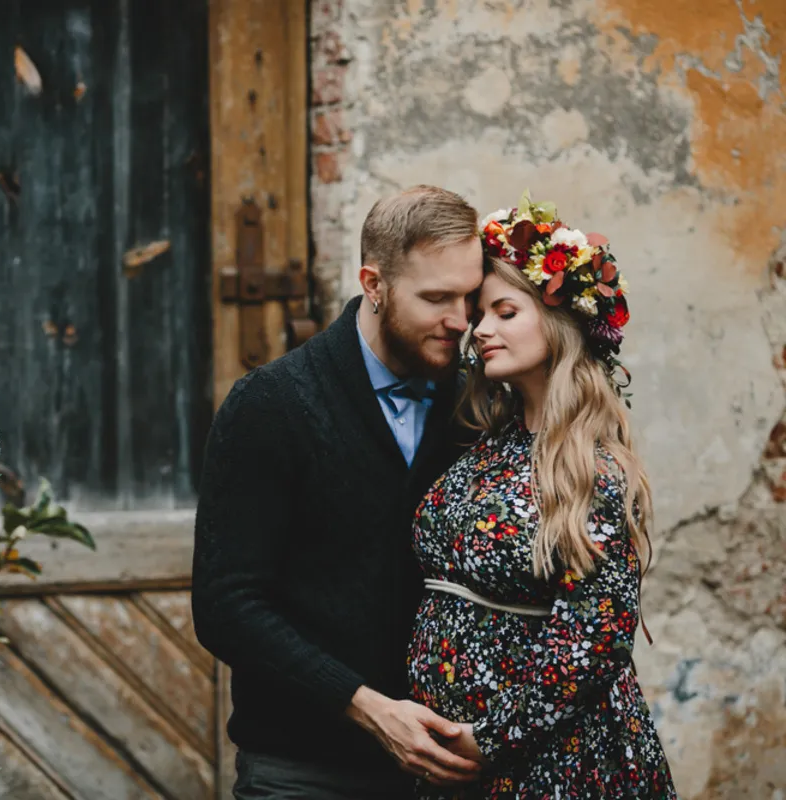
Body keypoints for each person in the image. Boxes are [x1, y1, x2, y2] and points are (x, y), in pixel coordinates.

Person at [192, 185, 488, 798]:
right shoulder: (271, 406)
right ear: (373, 284)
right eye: (436, 298)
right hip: (304, 772)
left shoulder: (478, 406)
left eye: (470, 296)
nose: (461, 321)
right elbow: (228, 606)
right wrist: (368, 707)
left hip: (447, 776)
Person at [407, 193, 676, 798]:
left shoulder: (591, 470)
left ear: (559, 324)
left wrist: (492, 739)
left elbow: (593, 642)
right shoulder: (487, 443)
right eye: (481, 316)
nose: (480, 331)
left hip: (550, 764)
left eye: (504, 312)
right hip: (452, 759)